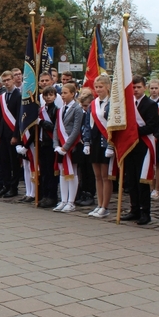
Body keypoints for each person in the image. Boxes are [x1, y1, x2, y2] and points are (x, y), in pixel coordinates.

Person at [120, 76, 159, 225]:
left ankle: (145, 212)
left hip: (144, 145)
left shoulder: (150, 105)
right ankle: (134, 209)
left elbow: (152, 126)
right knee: (131, 179)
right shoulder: (128, 104)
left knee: (142, 180)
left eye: (138, 87)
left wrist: (134, 132)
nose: (136, 90)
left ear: (144, 87)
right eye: (133, 87)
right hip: (130, 146)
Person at [53, 83, 84, 212]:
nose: (63, 95)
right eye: (62, 93)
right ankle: (63, 199)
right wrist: (56, 145)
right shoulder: (61, 109)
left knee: (72, 172)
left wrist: (66, 147)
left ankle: (71, 201)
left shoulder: (77, 108)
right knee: (62, 172)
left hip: (72, 145)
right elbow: (56, 128)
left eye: (65, 93)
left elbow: (76, 129)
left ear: (73, 93)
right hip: (61, 145)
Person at [87, 75, 113, 218]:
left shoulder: (112, 103)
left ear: (108, 87)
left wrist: (110, 145)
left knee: (105, 176)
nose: (98, 89)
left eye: (101, 87)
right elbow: (87, 123)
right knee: (97, 175)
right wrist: (86, 141)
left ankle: (105, 206)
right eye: (96, 87)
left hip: (105, 142)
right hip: (95, 141)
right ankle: (99, 204)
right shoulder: (93, 103)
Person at [37, 85, 59, 208]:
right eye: (46, 95)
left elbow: (54, 127)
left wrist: (41, 122)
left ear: (55, 96)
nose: (48, 97)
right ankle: (44, 195)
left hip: (51, 143)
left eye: (51, 95)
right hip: (42, 143)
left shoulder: (56, 110)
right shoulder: (41, 110)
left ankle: (52, 196)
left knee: (51, 172)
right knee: (44, 171)